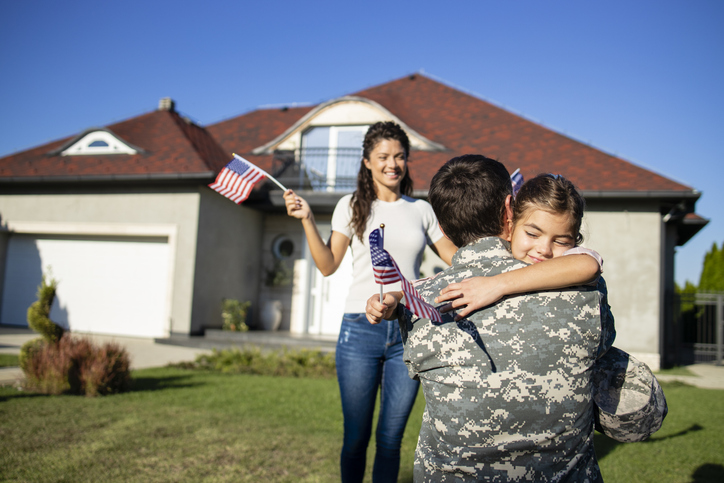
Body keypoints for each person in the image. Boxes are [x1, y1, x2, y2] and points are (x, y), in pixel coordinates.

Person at [366, 155, 613, 481]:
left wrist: (403, 299)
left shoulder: (423, 307)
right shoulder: (585, 291)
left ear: (440, 226)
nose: (545, 249)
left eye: (560, 240)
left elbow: (587, 261)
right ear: (510, 209)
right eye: (535, 234)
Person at [283, 121, 457, 483]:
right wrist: (307, 220)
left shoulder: (422, 210)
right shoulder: (350, 206)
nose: (392, 163)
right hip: (359, 332)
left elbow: (458, 260)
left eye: (399, 156)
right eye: (383, 156)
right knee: (356, 439)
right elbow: (327, 265)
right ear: (366, 161)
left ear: (407, 161)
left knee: (391, 440)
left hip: (409, 331)